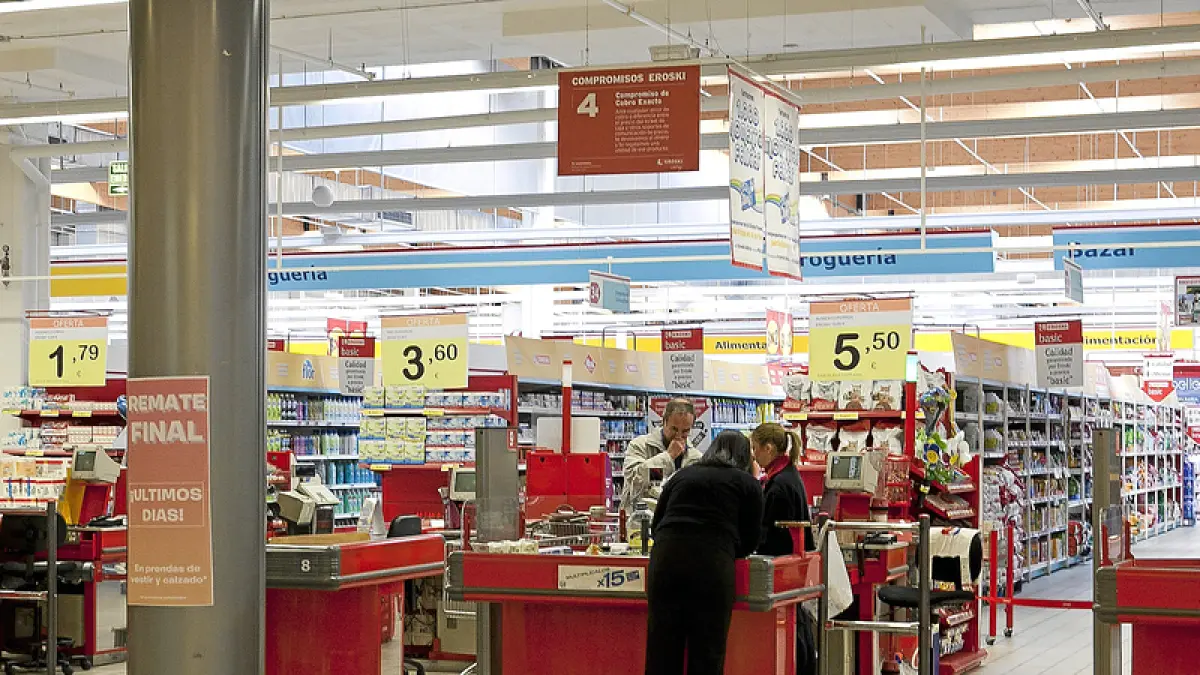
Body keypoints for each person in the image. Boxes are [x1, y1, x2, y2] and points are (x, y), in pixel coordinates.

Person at [644, 430, 763, 675]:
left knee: (661, 651)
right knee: (707, 652)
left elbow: (656, 526)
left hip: (665, 563)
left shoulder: (682, 475)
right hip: (712, 567)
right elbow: (751, 541)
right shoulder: (747, 484)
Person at [622, 398, 701, 518]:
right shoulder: (640, 445)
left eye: (685, 431)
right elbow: (635, 480)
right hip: (640, 520)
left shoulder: (695, 458)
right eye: (674, 429)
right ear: (664, 421)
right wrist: (668, 456)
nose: (679, 436)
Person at [751, 422, 814, 555]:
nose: (753, 455)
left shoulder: (779, 484)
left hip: (784, 559)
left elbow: (773, 534)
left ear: (768, 448)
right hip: (795, 555)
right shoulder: (788, 472)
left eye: (755, 448)